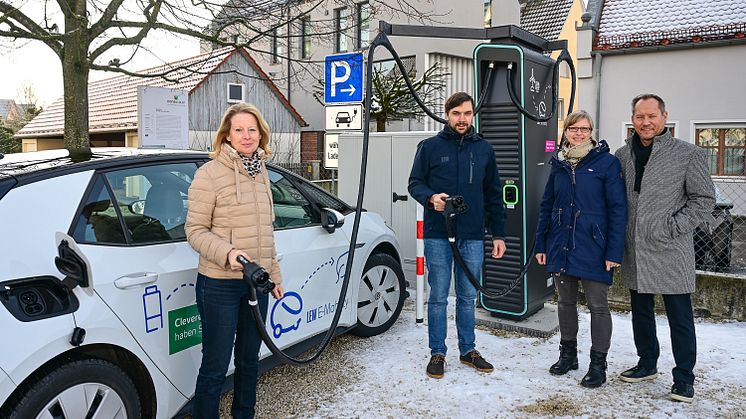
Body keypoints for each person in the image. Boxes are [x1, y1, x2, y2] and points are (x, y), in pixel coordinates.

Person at [185, 102, 285, 418]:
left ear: (261, 135)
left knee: (249, 361)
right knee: (215, 366)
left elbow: (265, 231)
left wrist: (274, 276)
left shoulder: (262, 172)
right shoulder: (209, 174)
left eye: (252, 129)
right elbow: (194, 231)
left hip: (255, 285)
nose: (246, 136)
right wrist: (228, 253)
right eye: (239, 129)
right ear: (227, 135)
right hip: (219, 285)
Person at [615, 94, 715, 403]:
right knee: (640, 314)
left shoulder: (688, 154)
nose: (645, 122)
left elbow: (704, 200)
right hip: (636, 249)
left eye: (651, 116)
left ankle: (684, 377)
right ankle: (647, 364)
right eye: (639, 117)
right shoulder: (622, 155)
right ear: (633, 119)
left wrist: (672, 226)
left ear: (664, 117)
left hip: (672, 250)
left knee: (679, 317)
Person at [408, 92, 506, 379]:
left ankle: (468, 350)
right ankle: (437, 352)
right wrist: (431, 199)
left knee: (467, 296)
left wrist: (498, 234)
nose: (462, 119)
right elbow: (415, 183)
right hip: (439, 234)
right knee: (438, 295)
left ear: (472, 115)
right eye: (456, 114)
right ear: (447, 114)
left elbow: (493, 194)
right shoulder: (429, 147)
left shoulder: (484, 149)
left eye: (466, 113)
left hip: (473, 235)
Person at [534, 111, 627, 388]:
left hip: (594, 247)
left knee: (598, 306)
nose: (579, 133)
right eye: (573, 128)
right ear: (565, 131)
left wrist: (613, 251)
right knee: (565, 302)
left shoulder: (606, 163)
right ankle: (568, 355)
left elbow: (618, 209)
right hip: (561, 244)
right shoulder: (559, 163)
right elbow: (547, 205)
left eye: (584, 129)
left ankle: (598, 364)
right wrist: (541, 243)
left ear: (591, 131)